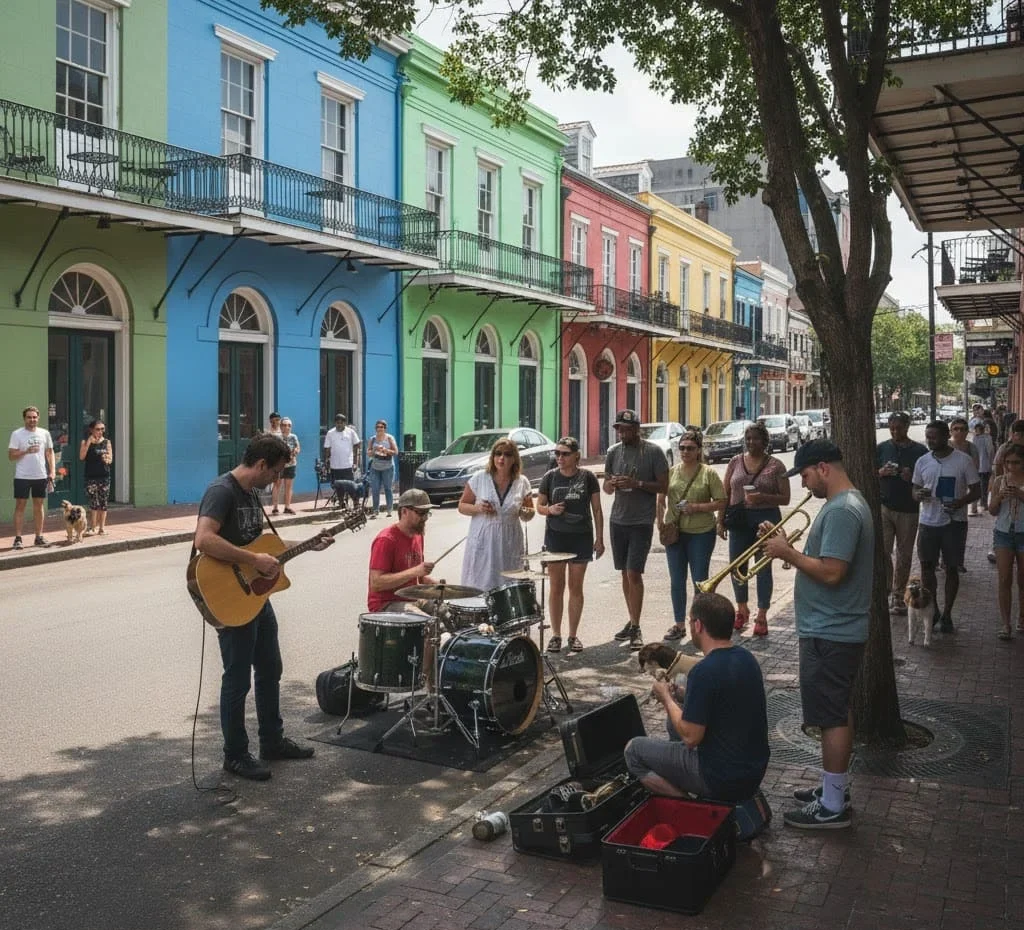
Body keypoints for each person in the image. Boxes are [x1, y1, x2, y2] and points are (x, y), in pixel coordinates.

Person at [193, 434, 334, 781]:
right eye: (275, 473)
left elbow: (263, 546)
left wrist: (307, 545)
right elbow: (204, 539)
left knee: (270, 668)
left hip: (257, 596)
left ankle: (272, 740)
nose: (276, 481)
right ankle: (235, 755)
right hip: (231, 598)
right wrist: (251, 558)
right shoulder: (222, 491)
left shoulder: (252, 494)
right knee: (237, 679)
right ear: (260, 465)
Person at [761, 440, 873, 830]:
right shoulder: (844, 506)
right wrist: (787, 547)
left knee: (830, 717)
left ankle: (832, 807)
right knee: (836, 711)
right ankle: (834, 788)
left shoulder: (843, 510)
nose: (805, 485)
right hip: (832, 627)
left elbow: (831, 572)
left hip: (831, 630)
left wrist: (786, 554)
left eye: (806, 476)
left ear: (823, 467)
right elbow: (825, 563)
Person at [623, 591, 769, 802]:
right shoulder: (746, 658)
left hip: (721, 778)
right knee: (673, 724)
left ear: (698, 625)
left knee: (634, 751)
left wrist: (666, 698)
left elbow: (691, 738)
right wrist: (681, 696)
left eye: (691, 621)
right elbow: (725, 703)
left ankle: (690, 807)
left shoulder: (704, 671)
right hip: (752, 771)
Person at [604, 409, 669, 651]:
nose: (622, 433)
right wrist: (613, 483)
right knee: (624, 573)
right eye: (619, 428)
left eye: (626, 429)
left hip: (641, 521)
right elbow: (607, 489)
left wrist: (637, 483)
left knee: (634, 573)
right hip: (618, 519)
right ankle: (632, 621)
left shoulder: (653, 452)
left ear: (637, 429)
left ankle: (637, 626)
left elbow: (664, 485)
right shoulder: (613, 452)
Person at [718, 421, 790, 636]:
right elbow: (725, 493)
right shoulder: (735, 461)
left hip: (765, 519)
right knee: (737, 566)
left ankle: (762, 614)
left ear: (765, 441)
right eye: (748, 439)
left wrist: (762, 497)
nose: (751, 442)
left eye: (756, 439)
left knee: (763, 567)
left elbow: (785, 498)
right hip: (739, 519)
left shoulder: (776, 465)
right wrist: (720, 520)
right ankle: (742, 609)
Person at [535, 436, 604, 654]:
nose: (560, 458)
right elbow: (539, 506)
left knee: (576, 587)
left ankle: (573, 635)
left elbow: (597, 510)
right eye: (557, 453)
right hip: (556, 536)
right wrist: (550, 510)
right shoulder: (550, 477)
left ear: (576, 456)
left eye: (565, 454)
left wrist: (600, 538)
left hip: (581, 536)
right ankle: (556, 634)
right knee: (556, 587)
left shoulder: (588, 477)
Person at [656, 430, 727, 642]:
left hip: (701, 533)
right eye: (682, 448)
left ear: (698, 451)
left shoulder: (708, 473)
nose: (685, 452)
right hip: (675, 534)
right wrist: (660, 523)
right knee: (677, 580)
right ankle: (679, 624)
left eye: (690, 448)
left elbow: (721, 501)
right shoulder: (671, 472)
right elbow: (660, 499)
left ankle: (698, 624)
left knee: (700, 580)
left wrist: (696, 507)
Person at [912, 420, 981, 634]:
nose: (929, 440)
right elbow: (914, 489)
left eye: (933, 436)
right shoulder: (922, 461)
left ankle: (948, 614)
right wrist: (918, 494)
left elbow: (976, 490)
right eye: (927, 436)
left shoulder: (963, 461)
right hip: (928, 522)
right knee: (926, 567)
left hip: (954, 523)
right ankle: (935, 610)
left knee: (951, 568)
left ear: (945, 437)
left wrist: (960, 502)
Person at [458, 438, 535, 592]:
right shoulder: (480, 478)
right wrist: (478, 508)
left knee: (509, 587)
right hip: (484, 540)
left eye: (507, 455)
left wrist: (525, 512)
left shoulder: (522, 482)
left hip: (510, 541)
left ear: (514, 459)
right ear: (492, 457)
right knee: (480, 585)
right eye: (498, 454)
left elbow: (530, 512)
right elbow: (461, 506)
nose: (501, 458)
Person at [875, 411, 927, 614]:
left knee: (904, 555)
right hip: (885, 506)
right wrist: (881, 472)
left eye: (899, 428)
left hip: (909, 510)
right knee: (884, 551)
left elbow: (926, 479)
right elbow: (869, 470)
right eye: (892, 428)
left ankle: (898, 596)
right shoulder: (882, 448)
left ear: (907, 427)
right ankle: (887, 588)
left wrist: (911, 476)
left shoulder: (920, 451)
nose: (895, 432)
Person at [367, 489, 437, 612]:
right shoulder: (386, 540)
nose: (425, 518)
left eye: (427, 512)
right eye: (421, 513)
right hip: (386, 604)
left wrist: (436, 585)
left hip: (411, 598)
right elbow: (376, 583)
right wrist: (414, 571)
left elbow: (417, 578)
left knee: (446, 612)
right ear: (404, 511)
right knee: (424, 622)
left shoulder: (418, 535)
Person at [988, 444, 1024, 641]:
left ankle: (1022, 618)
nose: (1012, 466)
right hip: (1003, 533)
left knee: (1023, 579)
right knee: (1004, 578)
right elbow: (992, 510)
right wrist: (1000, 497)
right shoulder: (1000, 480)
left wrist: (1019, 494)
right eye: (1008, 462)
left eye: (1016, 462)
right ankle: (1005, 623)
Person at [8, 406, 55, 549]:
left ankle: (38, 537)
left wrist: (52, 471)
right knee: (20, 506)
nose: (32, 420)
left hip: (40, 475)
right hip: (22, 476)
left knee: (38, 506)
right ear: (24, 419)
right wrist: (26, 451)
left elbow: (49, 453)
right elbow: (11, 456)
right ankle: (18, 538)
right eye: (29, 417)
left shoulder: (44, 433)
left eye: (34, 417)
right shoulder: (17, 434)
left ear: (38, 418)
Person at [79, 418, 113, 535]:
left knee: (103, 502)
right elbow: (82, 457)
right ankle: (93, 526)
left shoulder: (106, 442)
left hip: (104, 476)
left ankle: (102, 528)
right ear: (92, 430)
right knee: (93, 502)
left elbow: (110, 459)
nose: (100, 432)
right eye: (97, 429)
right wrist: (89, 442)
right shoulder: (85, 442)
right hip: (91, 476)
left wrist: (106, 459)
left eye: (102, 429)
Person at [367, 420, 399, 518]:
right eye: (378, 427)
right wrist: (374, 450)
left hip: (388, 467)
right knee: (375, 489)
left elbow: (396, 452)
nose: (380, 429)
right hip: (375, 467)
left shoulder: (389, 438)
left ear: (385, 428)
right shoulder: (372, 439)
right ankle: (375, 510)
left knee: (388, 488)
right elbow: (368, 453)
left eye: (382, 427)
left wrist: (386, 450)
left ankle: (389, 510)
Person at [323, 413, 361, 483]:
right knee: (337, 488)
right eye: (337, 423)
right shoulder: (330, 433)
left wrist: (355, 463)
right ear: (335, 423)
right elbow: (327, 449)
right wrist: (326, 462)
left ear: (345, 423)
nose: (339, 425)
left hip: (348, 465)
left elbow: (357, 446)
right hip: (335, 466)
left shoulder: (351, 432)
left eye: (341, 423)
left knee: (349, 487)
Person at [274, 418, 299, 515]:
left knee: (288, 486)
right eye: (284, 425)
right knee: (277, 485)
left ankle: (287, 507)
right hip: (279, 465)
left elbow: (298, 447)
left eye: (289, 425)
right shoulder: (277, 437)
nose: (287, 427)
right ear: (281, 426)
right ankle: (275, 507)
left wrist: (296, 451)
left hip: (291, 464)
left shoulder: (294, 437)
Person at [971, 419, 994, 516]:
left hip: (977, 466)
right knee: (984, 486)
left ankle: (976, 505)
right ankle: (984, 503)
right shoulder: (987, 438)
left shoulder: (975, 439)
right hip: (985, 466)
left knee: (978, 485)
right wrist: (992, 463)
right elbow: (990, 451)